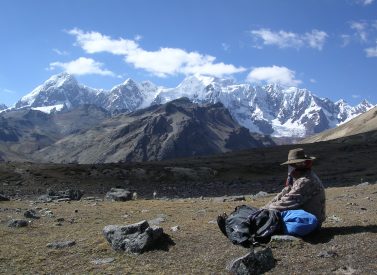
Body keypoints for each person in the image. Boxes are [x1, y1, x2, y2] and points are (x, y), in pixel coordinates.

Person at [264, 148, 326, 226]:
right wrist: (265, 207)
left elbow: (287, 202)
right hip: (307, 218)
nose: (289, 169)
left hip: (308, 222)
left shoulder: (305, 181)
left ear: (296, 167)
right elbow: (283, 194)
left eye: (290, 166)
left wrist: (265, 211)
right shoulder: (300, 178)